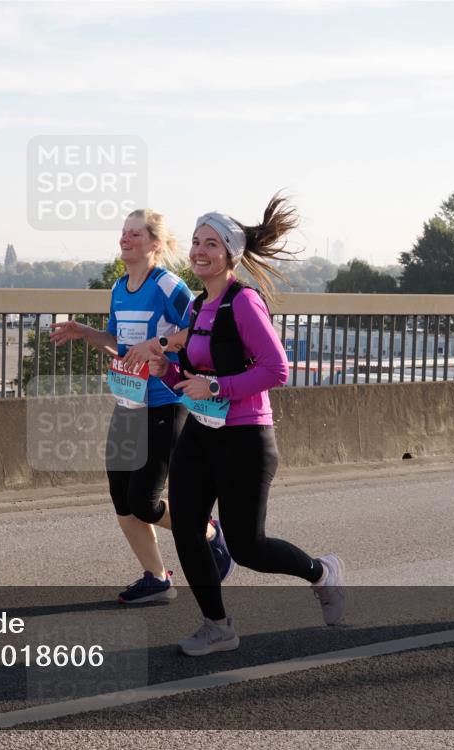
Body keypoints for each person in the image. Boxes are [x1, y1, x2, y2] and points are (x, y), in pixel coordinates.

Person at [148, 195, 345, 655]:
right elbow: (197, 380)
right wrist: (168, 373)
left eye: (211, 244)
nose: (199, 251)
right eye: (196, 241)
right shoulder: (198, 307)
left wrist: (217, 387)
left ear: (230, 254)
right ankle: (217, 626)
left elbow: (277, 370)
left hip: (245, 438)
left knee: (248, 547)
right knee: (188, 527)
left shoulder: (244, 302)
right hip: (201, 433)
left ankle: (322, 574)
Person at [50, 209, 234, 605]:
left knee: (145, 503)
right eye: (123, 232)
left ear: (155, 243)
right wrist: (84, 332)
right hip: (129, 401)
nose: (125, 239)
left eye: (135, 234)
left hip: (165, 402)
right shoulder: (119, 287)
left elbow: (198, 329)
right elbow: (117, 343)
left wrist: (159, 346)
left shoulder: (167, 285)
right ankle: (157, 578)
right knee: (121, 499)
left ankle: (208, 532)